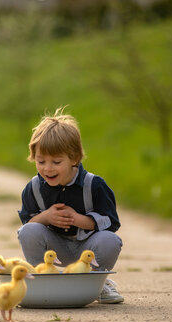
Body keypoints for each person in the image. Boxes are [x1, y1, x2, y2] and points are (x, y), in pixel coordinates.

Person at [17, 107, 124, 304]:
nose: (47, 168)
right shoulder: (34, 187)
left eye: (56, 162)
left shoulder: (94, 185)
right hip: (54, 248)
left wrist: (79, 220)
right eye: (41, 161)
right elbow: (27, 223)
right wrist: (46, 216)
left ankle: (98, 282)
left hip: (88, 248)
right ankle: (43, 280)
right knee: (28, 231)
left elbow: (111, 222)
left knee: (110, 240)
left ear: (74, 158)